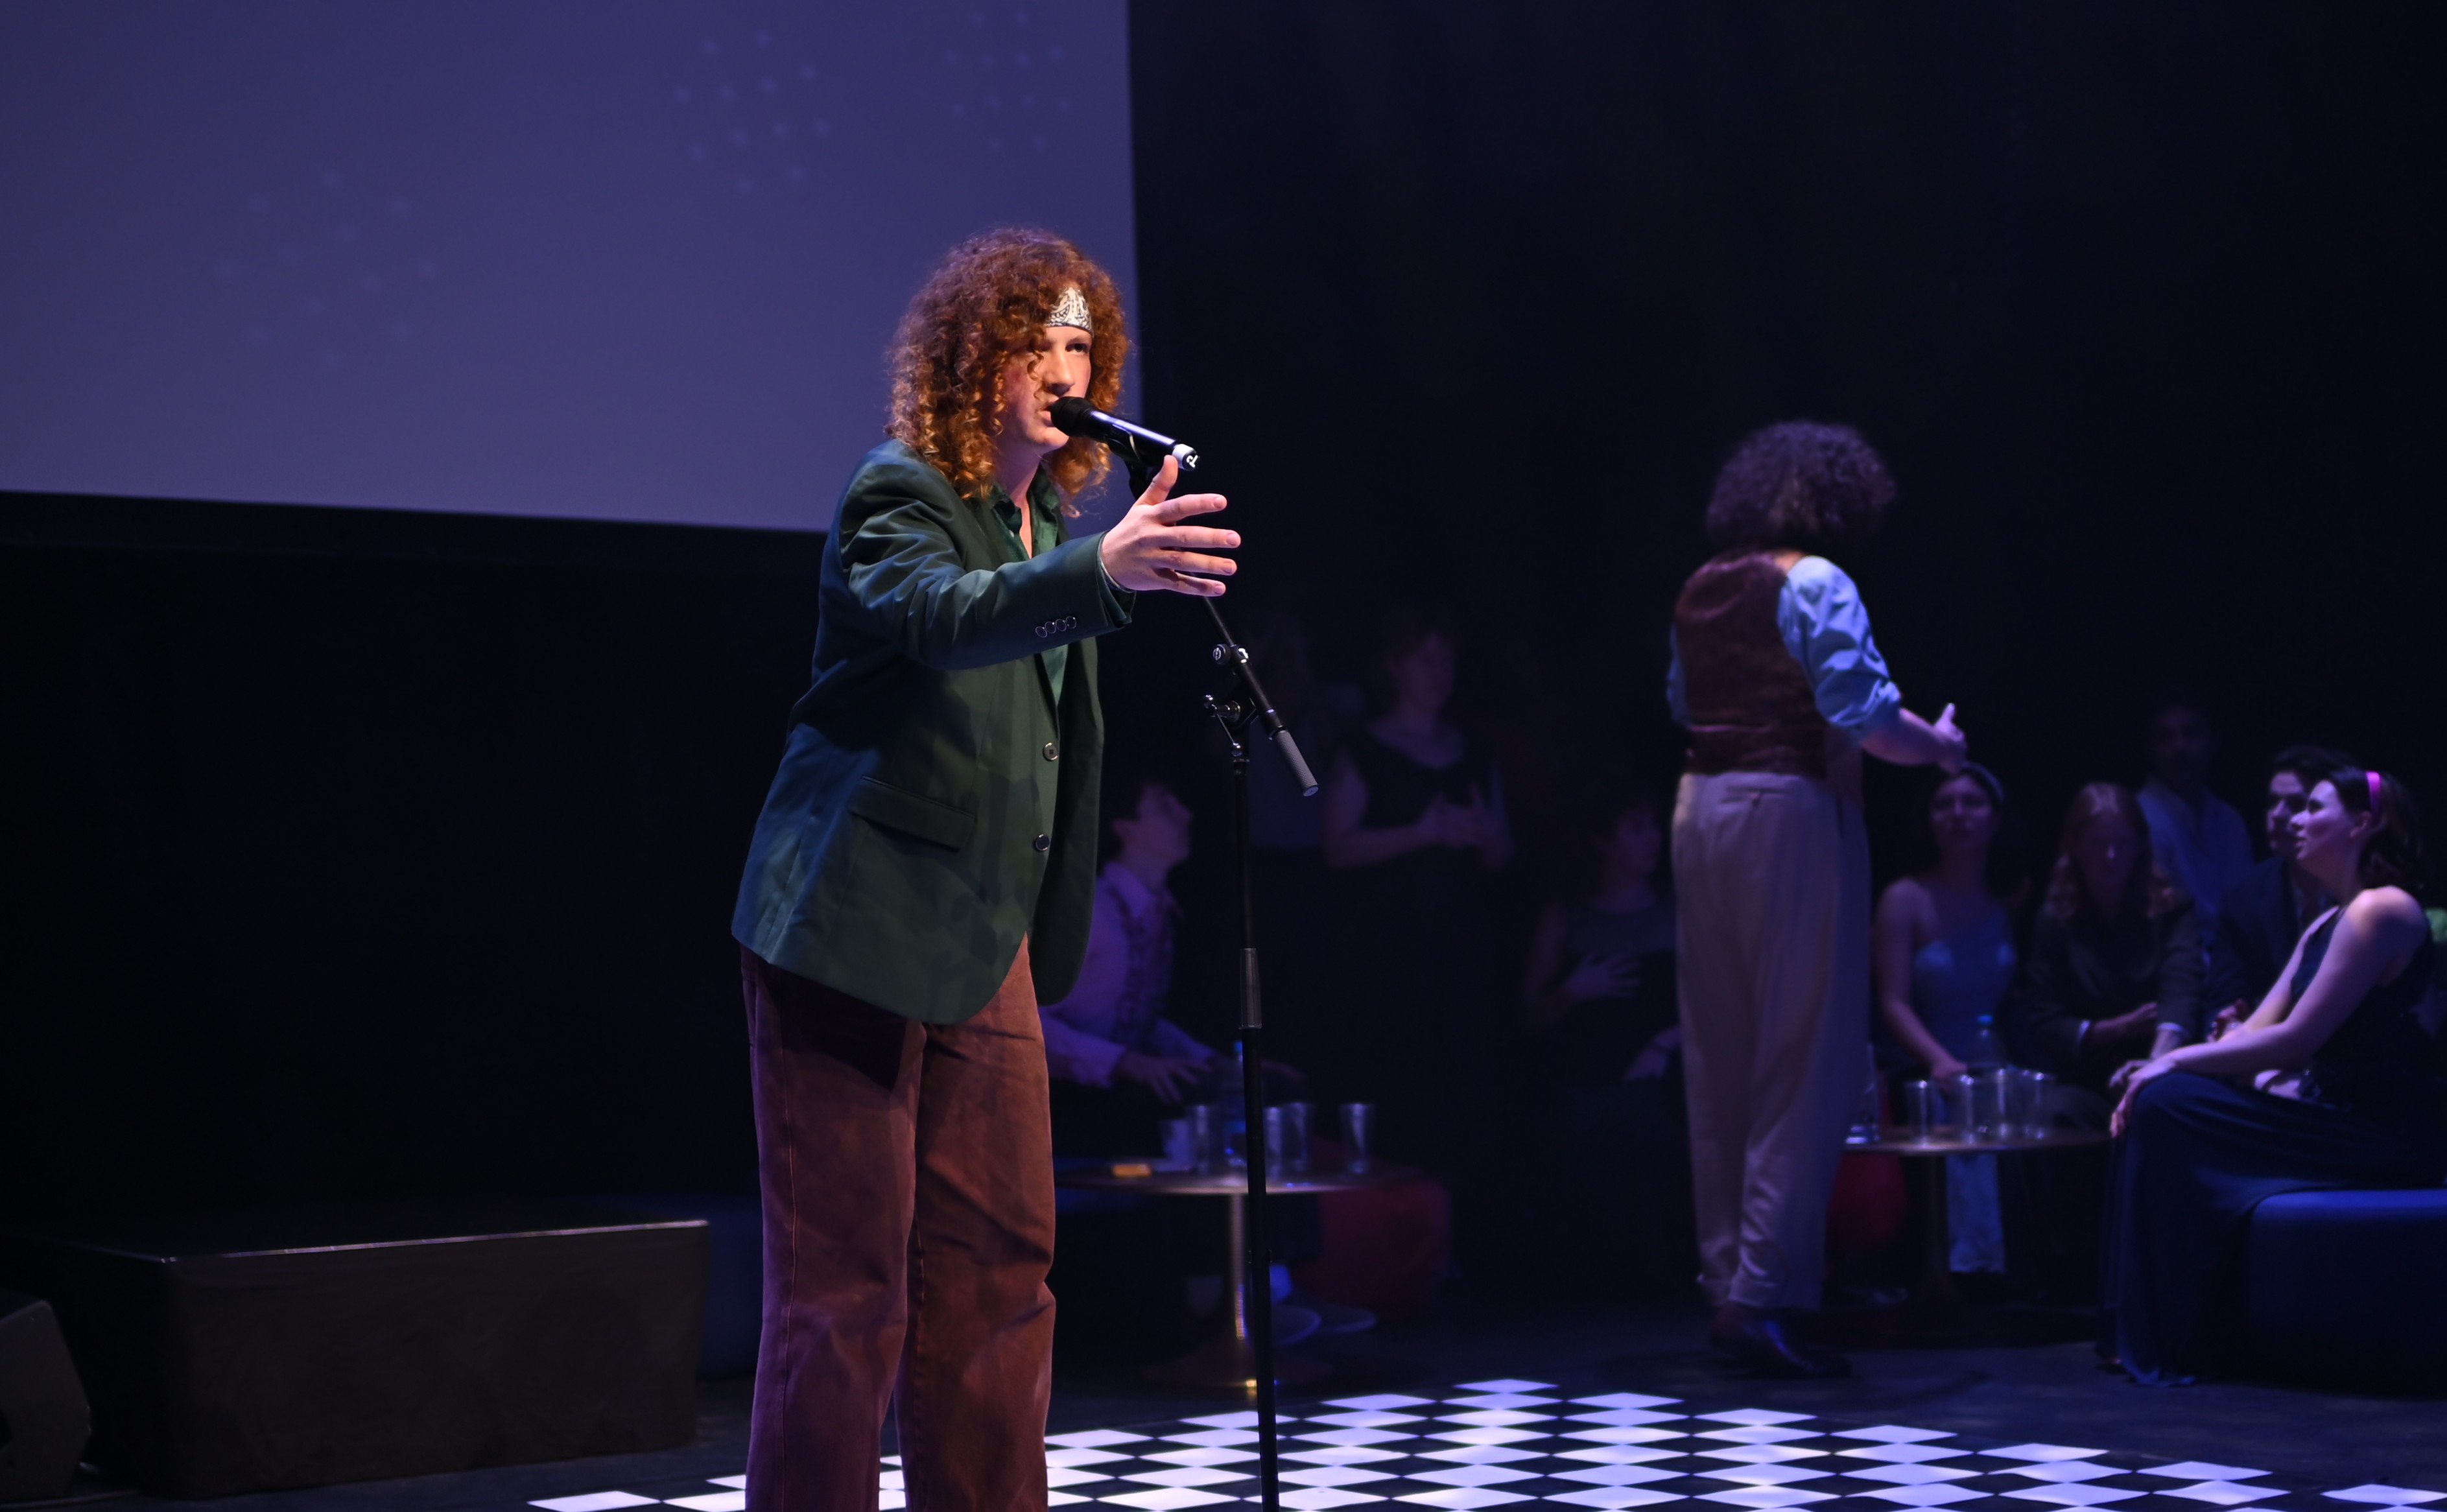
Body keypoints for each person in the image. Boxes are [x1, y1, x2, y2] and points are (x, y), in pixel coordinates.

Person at [728, 229, 1244, 1511]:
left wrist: (1091, 560)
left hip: (986, 932)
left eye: (1079, 344)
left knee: (1001, 1271)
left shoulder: (1047, 519)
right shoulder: (899, 492)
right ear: (971, 357)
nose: (1061, 367)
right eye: (1032, 341)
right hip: (853, 923)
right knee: (846, 1288)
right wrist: (1101, 571)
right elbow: (940, 618)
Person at [1665, 421, 1967, 1378]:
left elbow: (1682, 703)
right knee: (1802, 1057)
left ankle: (1730, 1284)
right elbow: (1865, 718)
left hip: (1700, 809)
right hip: (1787, 808)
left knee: (1720, 1056)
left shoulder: (1700, 587)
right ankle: (1763, 1293)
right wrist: (1941, 747)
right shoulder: (1816, 581)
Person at [2104, 769, 2444, 1384]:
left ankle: (2178, 1333)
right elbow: (2257, 1034)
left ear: (2362, 824)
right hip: (2327, 1115)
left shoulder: (2383, 909)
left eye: (2313, 807)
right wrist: (2178, 1059)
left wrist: (2173, 1061)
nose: (2295, 820)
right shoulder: (2325, 922)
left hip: (2380, 1129)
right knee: (2161, 1097)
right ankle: (2156, 1326)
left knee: (2168, 1098)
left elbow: (2296, 1041)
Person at [1319, 604, 1513, 1161]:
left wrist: (1484, 835)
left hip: (1462, 943)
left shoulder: (1473, 749)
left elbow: (1503, 854)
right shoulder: (1363, 749)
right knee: (1398, 1086)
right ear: (1395, 666)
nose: (1440, 673)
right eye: (1427, 659)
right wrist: (1421, 833)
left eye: (1447, 660)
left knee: (1465, 1085)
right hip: (1389, 949)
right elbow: (1337, 848)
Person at [1517, 782, 1689, 1293]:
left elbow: (1719, 996)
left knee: (1649, 1118)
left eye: (1654, 825)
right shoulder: (1566, 916)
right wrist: (1574, 991)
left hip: (1666, 1065)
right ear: (1602, 841)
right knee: (1582, 1119)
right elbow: (1528, 1016)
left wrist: (1664, 1043)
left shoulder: (1678, 907)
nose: (1653, 838)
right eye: (1636, 828)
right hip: (1586, 1073)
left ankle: (1667, 1274)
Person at [1871, 764, 2018, 1275]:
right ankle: (1952, 1270)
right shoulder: (1905, 898)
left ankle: (2012, 1268)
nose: (1958, 814)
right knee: (1946, 1099)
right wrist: (1940, 1061)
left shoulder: (2006, 900)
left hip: (1991, 1057)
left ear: (1995, 818)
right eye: (1943, 804)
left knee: (2021, 1098)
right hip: (1922, 1059)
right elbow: (1893, 1002)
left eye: (1971, 803)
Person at [1039, 774, 1232, 1153]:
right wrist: (1124, 1062)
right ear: (1125, 827)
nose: (1186, 815)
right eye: (1164, 807)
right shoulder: (1093, 912)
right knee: (1187, 1101)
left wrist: (1212, 1061)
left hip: (1111, 1087)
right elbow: (1032, 1020)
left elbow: (1136, 1019)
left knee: (1257, 1090)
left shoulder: (1156, 910)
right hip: (1067, 1095)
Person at [2014, 783, 2201, 1107]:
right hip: (2087, 1079)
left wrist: (2153, 1065)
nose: (2111, 856)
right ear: (2075, 846)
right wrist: (2116, 1029)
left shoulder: (2172, 910)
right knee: (2057, 1109)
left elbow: (2182, 992)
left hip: (2160, 1070)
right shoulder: (2055, 920)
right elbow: (2045, 1022)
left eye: (2122, 843)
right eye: (2098, 844)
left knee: (2165, 1102)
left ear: (2140, 845)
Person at [2203, 746, 2354, 1027]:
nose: (2278, 814)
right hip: (2267, 1046)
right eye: (2272, 802)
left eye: (2298, 804)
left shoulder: (2368, 891)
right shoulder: (2244, 899)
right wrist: (2229, 1024)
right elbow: (2224, 999)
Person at [2136, 702, 2255, 942]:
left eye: (2191, 734)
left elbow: (2248, 908)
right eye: (2166, 737)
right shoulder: (2139, 817)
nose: (2179, 747)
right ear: (2151, 749)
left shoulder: (2230, 821)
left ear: (2212, 742)